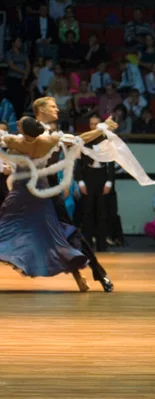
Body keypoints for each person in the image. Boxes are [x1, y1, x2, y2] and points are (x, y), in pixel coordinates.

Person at [0, 116, 114, 288]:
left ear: (24, 129)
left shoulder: (14, 141)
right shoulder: (49, 140)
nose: (15, 124)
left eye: (19, 123)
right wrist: (101, 129)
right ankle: (77, 270)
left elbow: (5, 141)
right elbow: (80, 139)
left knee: (8, 225)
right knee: (52, 233)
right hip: (41, 191)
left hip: (23, 192)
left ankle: (82, 272)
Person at [33, 97, 114, 292]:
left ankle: (97, 271)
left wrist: (102, 130)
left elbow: (79, 139)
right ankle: (89, 273)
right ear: (41, 110)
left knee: (68, 232)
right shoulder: (32, 129)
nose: (57, 110)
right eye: (52, 107)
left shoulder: (53, 134)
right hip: (29, 189)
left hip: (49, 188)